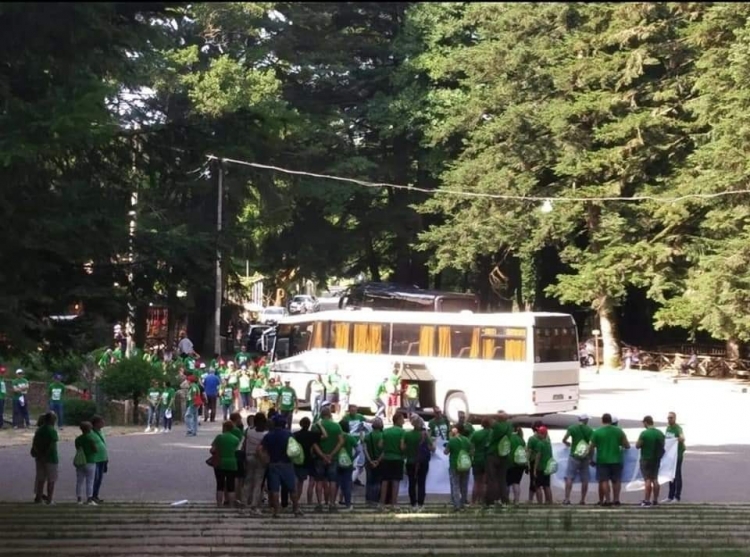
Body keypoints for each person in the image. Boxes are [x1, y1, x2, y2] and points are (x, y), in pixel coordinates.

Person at [260, 414, 303, 518]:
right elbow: (294, 448)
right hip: (287, 463)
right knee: (292, 488)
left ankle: (277, 511)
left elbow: (259, 449)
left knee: (274, 489)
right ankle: (296, 509)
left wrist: (265, 460)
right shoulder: (289, 434)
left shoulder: (268, 435)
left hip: (273, 464)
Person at [589, 412, 630, 507]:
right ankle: (616, 499)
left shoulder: (597, 432)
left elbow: (591, 447)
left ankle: (607, 500)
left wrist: (590, 459)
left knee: (604, 480)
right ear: (611, 421)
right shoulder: (619, 431)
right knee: (616, 480)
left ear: (602, 421)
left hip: (602, 460)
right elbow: (627, 445)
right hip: (616, 459)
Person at [312, 407, 344, 512]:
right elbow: (341, 441)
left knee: (319, 481)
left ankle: (319, 504)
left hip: (319, 458)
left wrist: (322, 455)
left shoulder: (315, 426)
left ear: (321, 415)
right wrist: (331, 454)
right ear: (330, 415)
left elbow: (314, 443)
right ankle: (332, 504)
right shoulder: (336, 426)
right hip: (333, 458)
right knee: (333, 481)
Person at [404, 415, 434, 512]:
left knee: (412, 483)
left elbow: (403, 448)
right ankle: (421, 504)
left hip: (410, 461)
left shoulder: (407, 434)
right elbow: (432, 448)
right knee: (421, 482)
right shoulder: (424, 435)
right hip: (422, 462)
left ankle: (413, 503)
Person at [562, 414, 593, 505]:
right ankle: (582, 500)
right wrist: (591, 457)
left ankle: (567, 499)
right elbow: (591, 444)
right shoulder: (590, 430)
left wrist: (567, 443)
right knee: (585, 479)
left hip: (574, 456)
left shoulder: (572, 428)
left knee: (569, 477)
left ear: (579, 419)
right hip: (585, 457)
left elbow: (564, 439)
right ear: (586, 420)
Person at [378, 410, 406, 512]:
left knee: (385, 481)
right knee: (395, 482)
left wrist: (387, 448)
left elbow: (380, 445)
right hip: (397, 459)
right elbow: (402, 446)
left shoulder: (385, 431)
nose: (403, 421)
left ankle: (381, 504)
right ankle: (394, 503)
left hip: (386, 458)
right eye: (402, 419)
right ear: (398, 420)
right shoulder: (402, 432)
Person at [636, 415, 666, 507]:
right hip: (656, 458)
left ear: (646, 422)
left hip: (646, 458)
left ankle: (647, 500)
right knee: (655, 479)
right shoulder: (660, 433)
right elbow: (663, 445)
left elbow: (638, 445)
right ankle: (655, 499)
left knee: (647, 479)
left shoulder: (644, 433)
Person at [210, 420, 241, 507]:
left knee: (220, 485)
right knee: (231, 486)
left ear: (225, 428)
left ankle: (219, 504)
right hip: (232, 463)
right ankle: (231, 504)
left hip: (220, 463)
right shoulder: (236, 439)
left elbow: (212, 449)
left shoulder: (219, 437)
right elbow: (236, 450)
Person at [484, 411, 512, 507]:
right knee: (502, 479)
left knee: (492, 479)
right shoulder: (509, 426)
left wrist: (494, 415)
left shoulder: (497, 426)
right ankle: (504, 500)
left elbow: (488, 419)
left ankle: (490, 500)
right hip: (504, 455)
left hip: (493, 454)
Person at [243, 412, 268, 515]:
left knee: (248, 480)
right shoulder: (265, 434)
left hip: (249, 456)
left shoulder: (249, 431)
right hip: (261, 458)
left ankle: (244, 502)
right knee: (258, 482)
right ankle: (254, 504)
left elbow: (244, 443)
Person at [31, 412, 59, 504]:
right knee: (51, 479)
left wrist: (39, 454)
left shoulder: (39, 430)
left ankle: (38, 498)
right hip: (50, 458)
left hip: (39, 457)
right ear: (52, 420)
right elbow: (51, 445)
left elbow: (34, 443)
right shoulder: (52, 431)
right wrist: (45, 455)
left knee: (40, 478)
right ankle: (49, 500)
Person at [293, 417, 321, 505]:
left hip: (298, 460)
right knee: (307, 483)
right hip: (309, 460)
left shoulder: (295, 435)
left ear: (300, 424)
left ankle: (295, 502)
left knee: (298, 482)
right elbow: (325, 435)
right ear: (309, 424)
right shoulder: (312, 435)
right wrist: (319, 426)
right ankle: (308, 502)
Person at [445, 425, 472, 512]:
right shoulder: (467, 440)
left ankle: (457, 505)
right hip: (465, 465)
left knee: (455, 485)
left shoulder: (452, 440)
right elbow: (472, 451)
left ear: (456, 430)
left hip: (454, 465)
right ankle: (463, 503)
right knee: (464, 485)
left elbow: (446, 452)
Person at [74, 421, 98, 505]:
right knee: (90, 481)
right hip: (90, 461)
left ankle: (79, 499)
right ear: (89, 428)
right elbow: (95, 450)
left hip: (80, 461)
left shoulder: (78, 439)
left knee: (79, 481)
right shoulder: (90, 438)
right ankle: (89, 499)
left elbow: (77, 449)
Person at [664, 411, 686, 503]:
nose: (669, 419)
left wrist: (677, 439)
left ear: (675, 418)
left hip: (677, 455)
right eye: (668, 418)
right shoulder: (668, 428)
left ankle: (677, 497)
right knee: (670, 475)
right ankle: (670, 496)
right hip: (670, 456)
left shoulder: (678, 428)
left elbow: (682, 438)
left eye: (671, 418)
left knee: (677, 475)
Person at [336, 421, 358, 511]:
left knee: (335, 483)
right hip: (348, 462)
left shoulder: (336, 437)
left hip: (337, 462)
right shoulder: (350, 437)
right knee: (347, 483)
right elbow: (358, 450)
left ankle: (333, 502)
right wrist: (353, 458)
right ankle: (348, 503)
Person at [469, 417, 491, 504]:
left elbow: (471, 447)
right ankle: (482, 501)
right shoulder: (492, 434)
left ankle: (473, 502)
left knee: (476, 482)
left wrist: (472, 457)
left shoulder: (476, 434)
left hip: (477, 459)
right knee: (485, 483)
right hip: (488, 460)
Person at [363, 417, 384, 505]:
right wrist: (378, 461)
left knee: (369, 480)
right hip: (381, 462)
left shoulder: (368, 436)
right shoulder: (383, 435)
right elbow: (384, 450)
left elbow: (365, 449)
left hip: (369, 461)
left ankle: (369, 499)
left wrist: (370, 460)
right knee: (379, 480)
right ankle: (377, 498)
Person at [532, 425, 554, 505]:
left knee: (538, 486)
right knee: (547, 486)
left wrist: (534, 469)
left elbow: (538, 457)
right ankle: (549, 501)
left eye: (539, 433)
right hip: (547, 468)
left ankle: (540, 503)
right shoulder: (548, 444)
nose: (537, 434)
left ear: (542, 434)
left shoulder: (540, 444)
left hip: (540, 467)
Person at [506, 425, 526, 505]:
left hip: (510, 463)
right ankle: (517, 501)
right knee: (516, 483)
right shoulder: (521, 438)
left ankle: (506, 500)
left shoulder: (508, 437)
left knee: (507, 483)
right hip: (520, 464)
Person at [91, 415, 109, 504]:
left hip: (102, 458)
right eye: (101, 421)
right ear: (96, 423)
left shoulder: (100, 432)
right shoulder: (91, 433)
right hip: (95, 459)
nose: (103, 423)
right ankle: (92, 496)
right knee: (95, 478)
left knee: (99, 479)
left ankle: (96, 495)